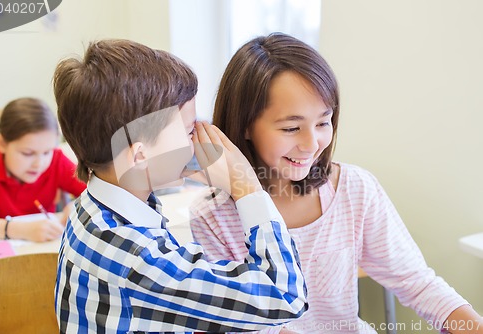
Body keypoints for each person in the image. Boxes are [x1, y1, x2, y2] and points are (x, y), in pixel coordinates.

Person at [189, 32, 483, 334]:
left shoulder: (355, 189)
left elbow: (417, 283)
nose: (311, 144)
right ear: (245, 125)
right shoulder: (213, 218)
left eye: (322, 123)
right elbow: (246, 326)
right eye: (291, 128)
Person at [53, 38, 307, 333]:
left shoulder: (96, 206)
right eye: (189, 131)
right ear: (139, 155)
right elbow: (285, 299)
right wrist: (246, 186)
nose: (199, 139)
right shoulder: (136, 259)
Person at [0, 97, 86, 242]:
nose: (39, 164)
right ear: (2, 143)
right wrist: (19, 230)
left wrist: (77, 206)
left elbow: (96, 190)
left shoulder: (56, 160)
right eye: (28, 153)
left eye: (47, 152)